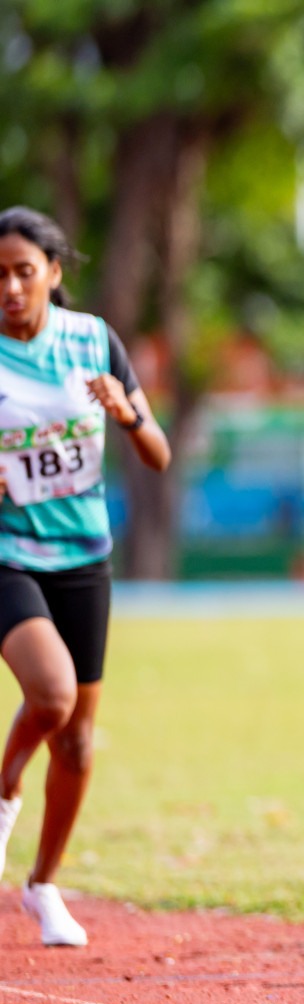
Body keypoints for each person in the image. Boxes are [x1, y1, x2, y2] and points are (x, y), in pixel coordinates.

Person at [0, 207, 171, 946]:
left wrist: (127, 413)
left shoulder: (92, 341)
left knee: (76, 742)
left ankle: (43, 887)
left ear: (54, 274)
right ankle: (3, 786)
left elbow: (158, 453)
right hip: (8, 554)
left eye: (23, 272)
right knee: (53, 694)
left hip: (84, 556)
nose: (9, 288)